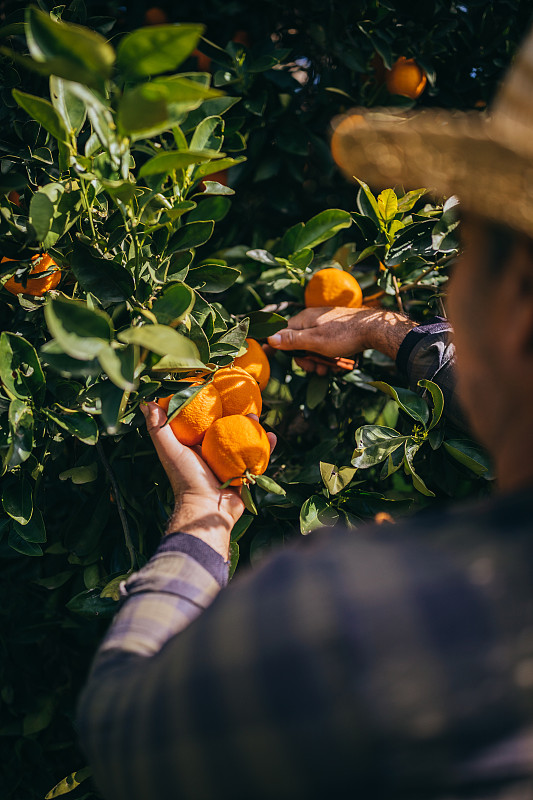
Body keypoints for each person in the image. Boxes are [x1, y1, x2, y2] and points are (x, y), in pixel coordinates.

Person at [77, 28, 533, 800]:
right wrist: (389, 332)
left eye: (461, 257)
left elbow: (123, 732)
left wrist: (199, 522)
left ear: (514, 303)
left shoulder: (355, 623)